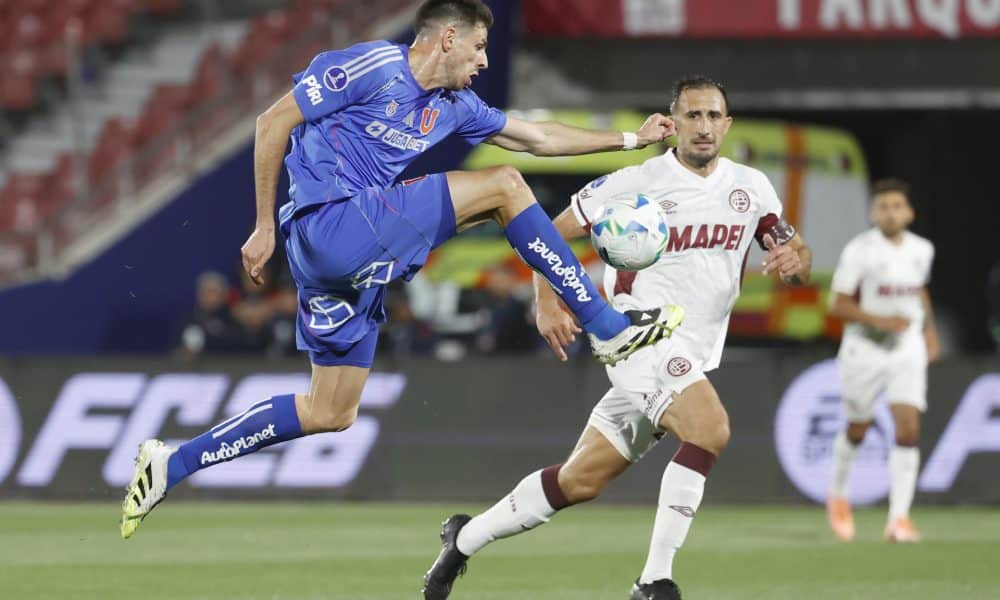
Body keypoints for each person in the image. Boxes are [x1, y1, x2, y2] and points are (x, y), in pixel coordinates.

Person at [119, 0, 684, 539]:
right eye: (480, 47)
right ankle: (609, 328)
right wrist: (264, 224)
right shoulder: (375, 66)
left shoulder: (457, 107)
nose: (486, 60)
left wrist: (634, 138)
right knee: (504, 187)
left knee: (330, 410)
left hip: (340, 264)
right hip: (328, 224)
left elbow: (537, 136)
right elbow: (272, 123)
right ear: (448, 38)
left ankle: (173, 460)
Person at [422, 75, 813, 600]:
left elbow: (795, 256)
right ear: (672, 124)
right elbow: (545, 229)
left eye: (713, 116)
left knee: (579, 481)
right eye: (692, 116)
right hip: (638, 336)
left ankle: (462, 539)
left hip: (693, 352)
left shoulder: (753, 188)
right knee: (710, 429)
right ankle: (654, 580)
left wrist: (795, 262)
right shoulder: (637, 181)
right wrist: (546, 298)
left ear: (728, 124)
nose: (703, 127)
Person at [825, 178, 938, 543]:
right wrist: (880, 321)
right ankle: (838, 494)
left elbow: (919, 291)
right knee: (859, 426)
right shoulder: (860, 250)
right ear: (873, 213)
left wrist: (929, 333)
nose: (891, 212)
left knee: (908, 428)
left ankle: (899, 519)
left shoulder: (923, 249)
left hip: (906, 347)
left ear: (909, 212)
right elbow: (837, 304)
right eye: (883, 206)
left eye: (897, 206)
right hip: (865, 348)